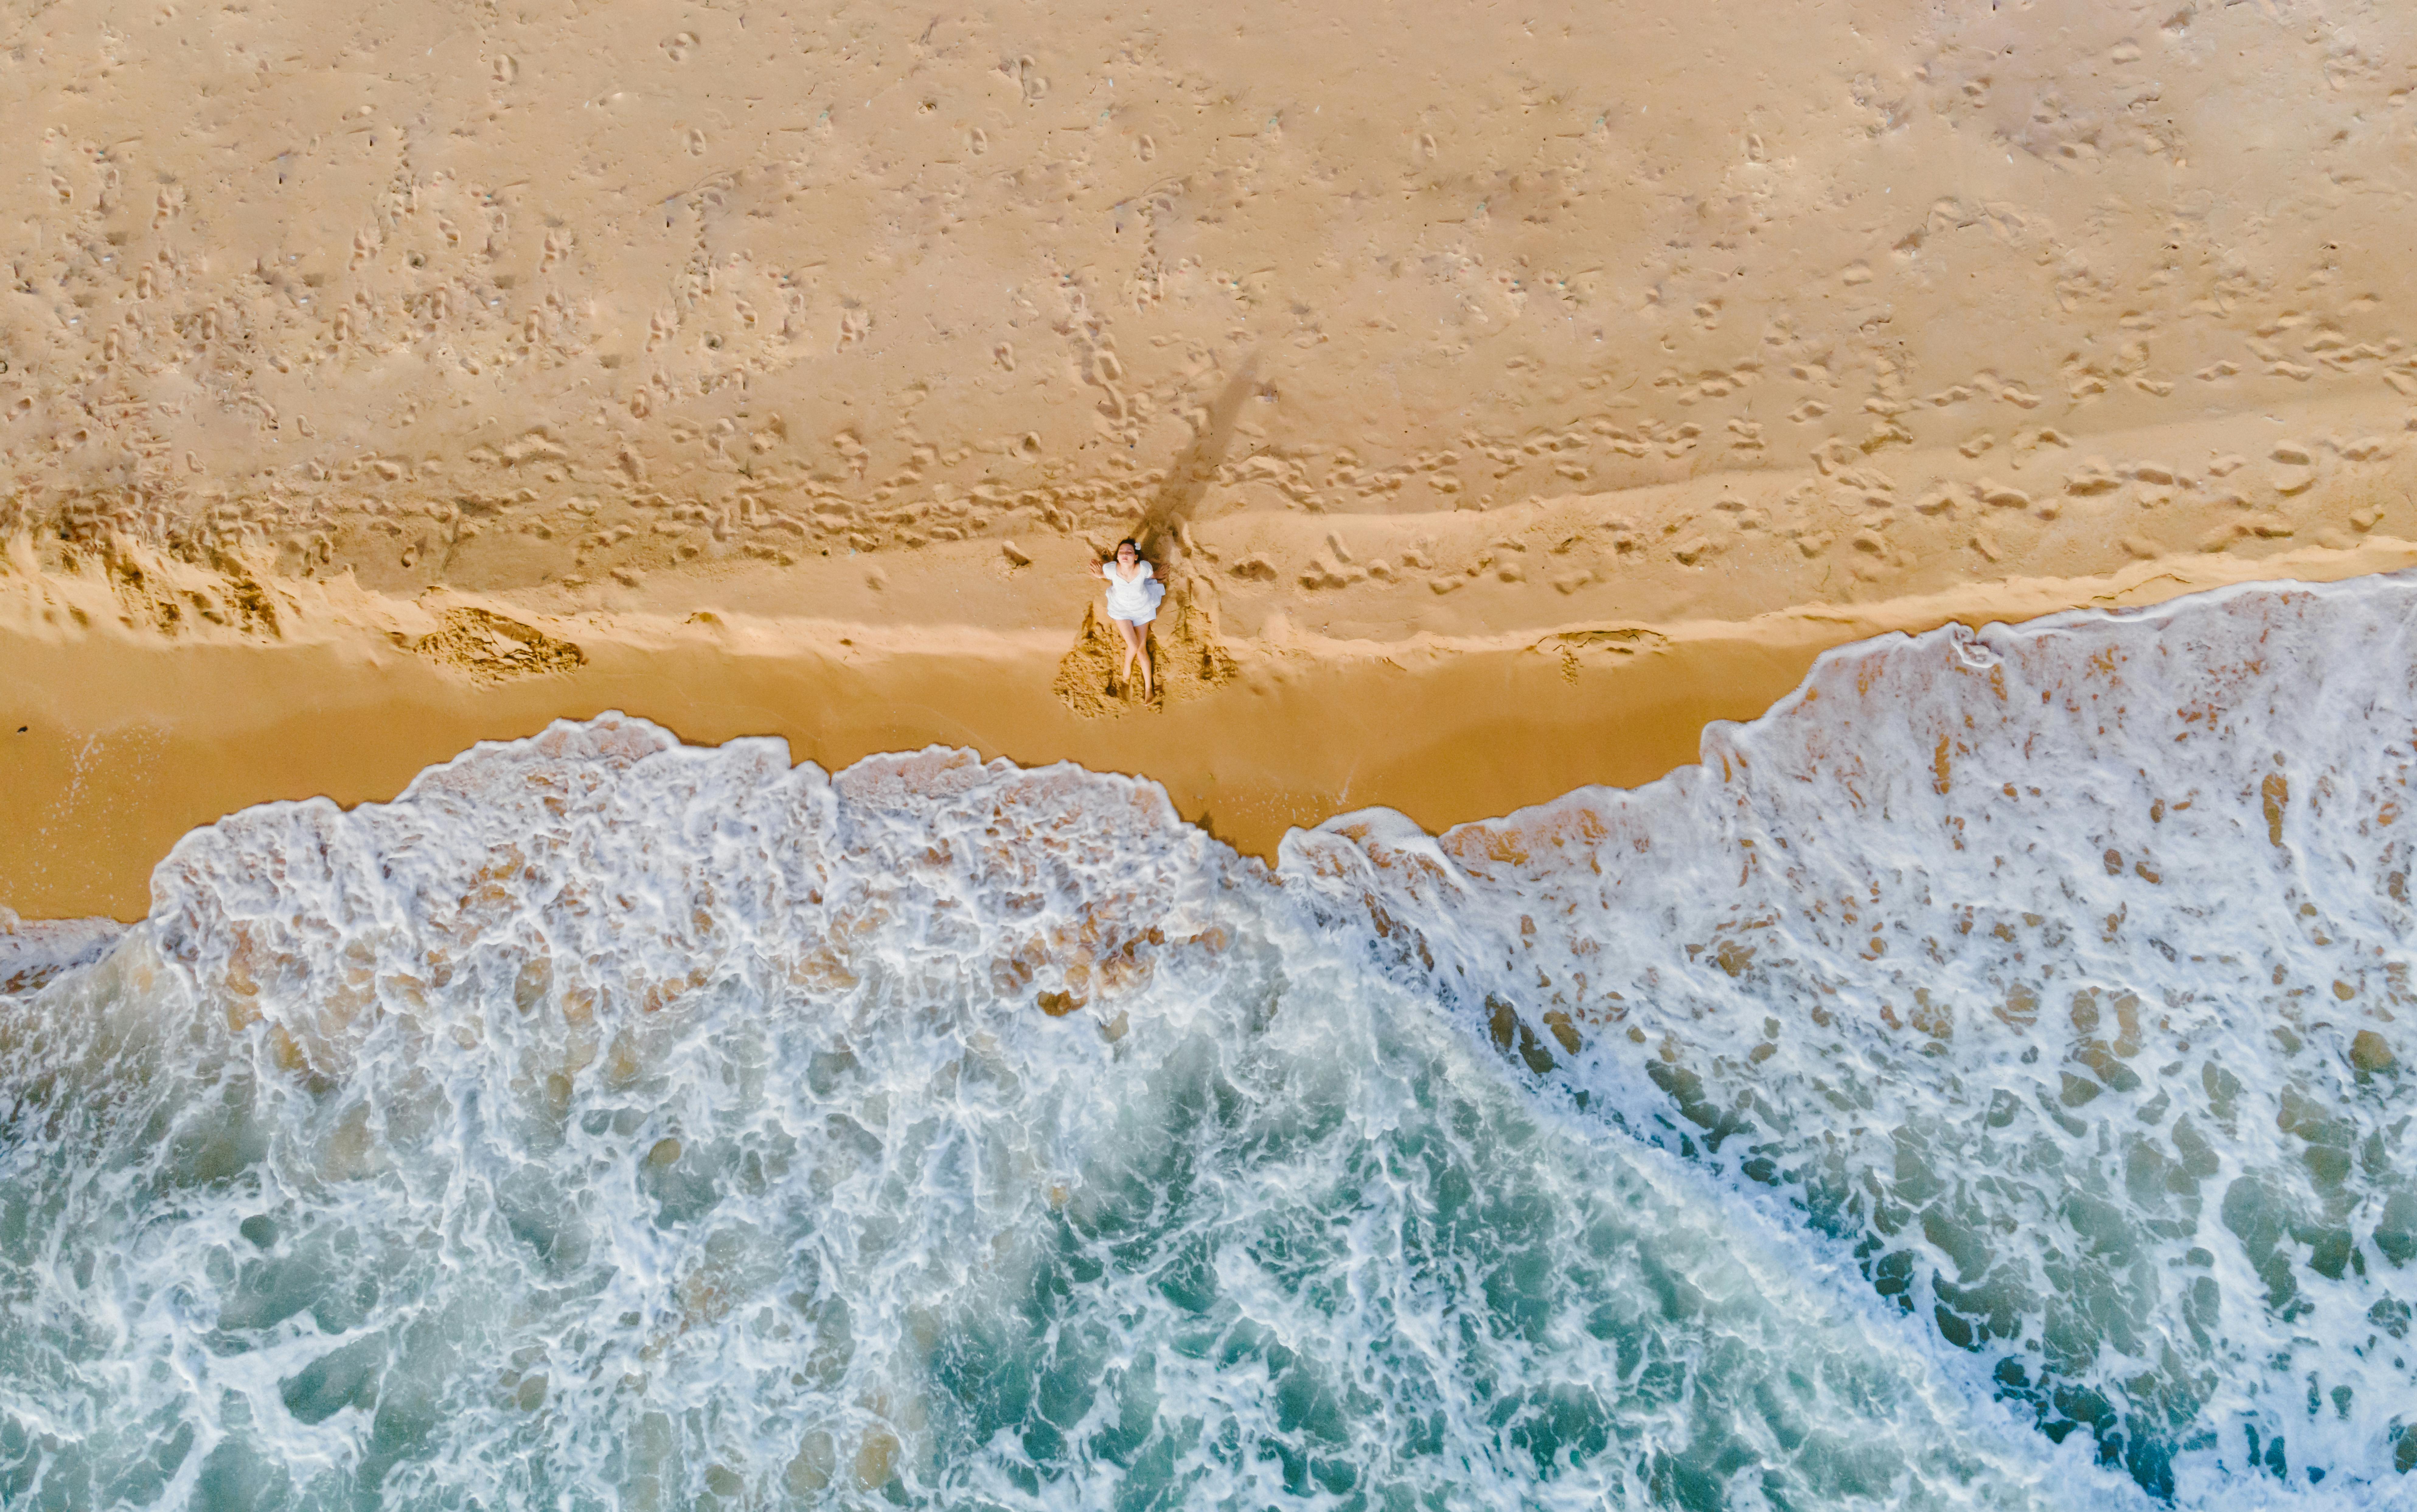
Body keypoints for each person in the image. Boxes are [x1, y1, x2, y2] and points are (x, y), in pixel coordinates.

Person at [1097, 537, 1164, 698]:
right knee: (1133, 646)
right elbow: (1103, 575)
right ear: (1118, 557)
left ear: (1136, 557)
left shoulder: (1144, 568)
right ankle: (1126, 671)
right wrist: (1099, 575)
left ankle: (1149, 689)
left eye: (1129, 552)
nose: (1125, 555)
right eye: (1121, 552)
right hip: (1121, 610)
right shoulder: (1112, 569)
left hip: (1142, 608)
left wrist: (1158, 575)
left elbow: (1152, 575)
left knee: (1142, 650)